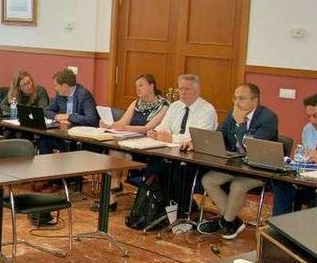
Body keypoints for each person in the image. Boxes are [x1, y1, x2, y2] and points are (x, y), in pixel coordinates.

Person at [197, 83, 279, 238]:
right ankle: (231, 221)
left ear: (255, 101)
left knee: (238, 185)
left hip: (258, 168)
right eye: (235, 98)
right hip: (234, 164)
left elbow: (252, 147)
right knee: (208, 180)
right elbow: (221, 133)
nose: (236, 102)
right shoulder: (233, 113)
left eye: (242, 98)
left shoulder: (268, 118)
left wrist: (240, 124)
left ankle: (226, 222)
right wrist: (210, 141)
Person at [97, 74, 170, 210]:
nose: (138, 89)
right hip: (129, 143)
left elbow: (148, 128)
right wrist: (109, 125)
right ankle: (115, 187)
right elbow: (122, 123)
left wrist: (125, 128)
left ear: (152, 86)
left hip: (148, 146)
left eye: (141, 85)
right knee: (115, 150)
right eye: (136, 86)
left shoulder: (164, 106)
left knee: (119, 153)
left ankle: (113, 194)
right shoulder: (136, 103)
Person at [40, 69, 99, 154]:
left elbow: (92, 119)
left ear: (64, 86)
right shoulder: (60, 95)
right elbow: (47, 110)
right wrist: (57, 117)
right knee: (44, 139)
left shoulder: (84, 95)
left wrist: (69, 116)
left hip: (81, 140)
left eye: (56, 85)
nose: (55, 88)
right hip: (65, 134)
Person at [149, 74, 217, 146]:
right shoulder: (174, 106)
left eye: (187, 89)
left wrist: (172, 138)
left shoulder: (207, 110)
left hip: (194, 152)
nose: (183, 93)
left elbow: (198, 138)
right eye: (181, 89)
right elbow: (164, 125)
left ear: (198, 91)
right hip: (170, 147)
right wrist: (156, 132)